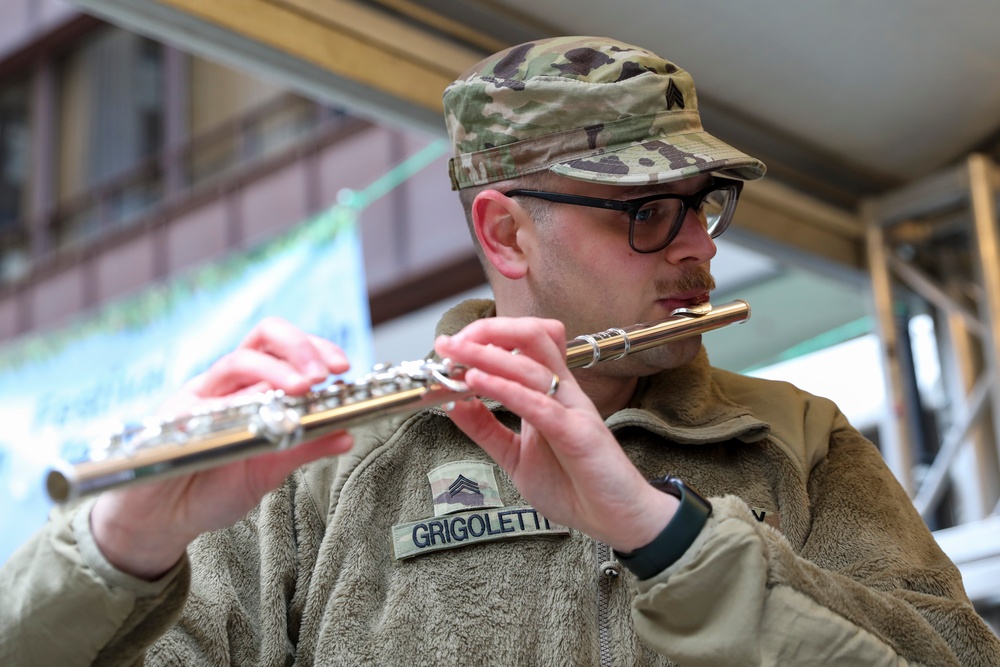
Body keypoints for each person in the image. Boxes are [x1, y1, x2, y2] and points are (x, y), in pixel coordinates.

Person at [2, 35, 999, 666]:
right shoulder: (325, 469)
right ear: (505, 233)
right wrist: (112, 557)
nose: (697, 243)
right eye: (646, 210)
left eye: (704, 206)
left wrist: (672, 541)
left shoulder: (798, 437)